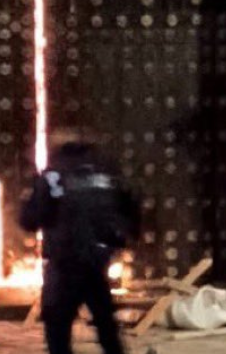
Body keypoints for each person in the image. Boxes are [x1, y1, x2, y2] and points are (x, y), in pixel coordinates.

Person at [20, 128, 140, 354]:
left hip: (65, 261)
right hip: (97, 259)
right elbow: (131, 205)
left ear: (57, 147)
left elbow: (30, 218)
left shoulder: (53, 175)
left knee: (57, 325)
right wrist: (121, 239)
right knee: (106, 324)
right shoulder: (106, 171)